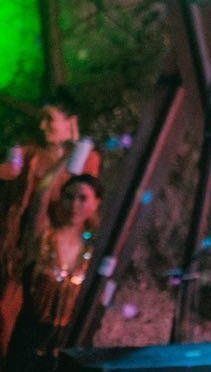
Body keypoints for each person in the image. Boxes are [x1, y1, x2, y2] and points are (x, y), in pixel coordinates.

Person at [0, 100, 100, 359]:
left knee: (52, 317)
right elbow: (12, 172)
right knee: (6, 316)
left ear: (71, 123)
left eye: (49, 119)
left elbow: (87, 197)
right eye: (41, 119)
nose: (42, 126)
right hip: (26, 246)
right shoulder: (29, 153)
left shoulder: (86, 157)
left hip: (61, 250)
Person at [5, 173, 102, 372]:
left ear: (96, 203)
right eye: (69, 197)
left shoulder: (92, 250)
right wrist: (67, 156)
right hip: (29, 339)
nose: (75, 204)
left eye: (82, 198)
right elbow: (41, 198)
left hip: (68, 342)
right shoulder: (44, 238)